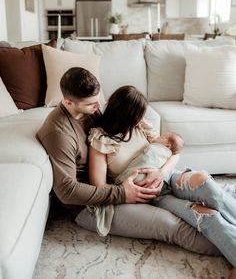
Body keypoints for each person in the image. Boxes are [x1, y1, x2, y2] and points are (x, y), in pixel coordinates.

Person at [37, 67, 221, 259]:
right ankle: (227, 251)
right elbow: (67, 192)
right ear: (68, 102)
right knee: (172, 225)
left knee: (201, 200)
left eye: (98, 99)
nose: (98, 106)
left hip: (120, 182)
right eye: (92, 104)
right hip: (92, 207)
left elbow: (116, 131)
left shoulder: (89, 110)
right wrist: (123, 193)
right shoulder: (59, 133)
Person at [88, 85, 236, 272]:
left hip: (166, 175)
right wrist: (129, 191)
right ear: (124, 114)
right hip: (153, 194)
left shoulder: (139, 126)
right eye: (137, 115)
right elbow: (99, 186)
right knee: (205, 214)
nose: (141, 119)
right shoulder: (100, 140)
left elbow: (174, 153)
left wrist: (161, 172)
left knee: (205, 183)